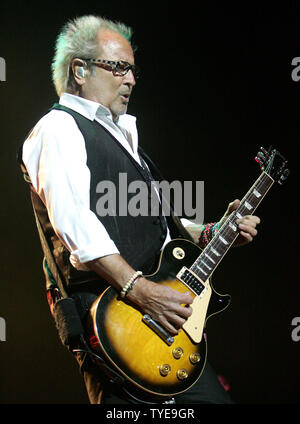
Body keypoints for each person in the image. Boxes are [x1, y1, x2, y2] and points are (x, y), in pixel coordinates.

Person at [20, 15, 260, 404]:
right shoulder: (58, 128)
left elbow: (153, 221)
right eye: (119, 67)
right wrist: (141, 290)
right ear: (79, 70)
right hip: (114, 326)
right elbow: (76, 225)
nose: (131, 80)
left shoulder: (123, 138)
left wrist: (212, 232)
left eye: (133, 70)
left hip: (157, 330)